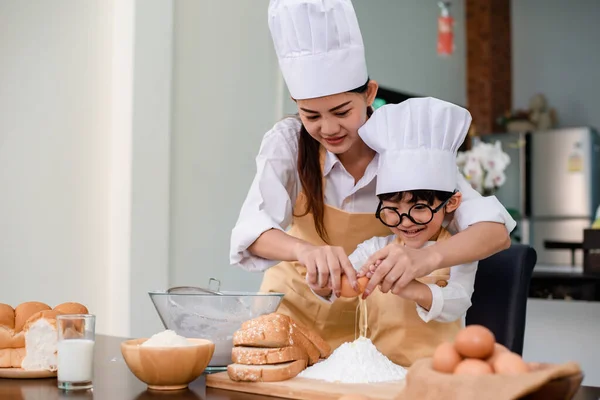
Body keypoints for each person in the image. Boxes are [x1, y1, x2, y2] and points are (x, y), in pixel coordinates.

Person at [230, 0, 515, 351]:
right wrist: (304, 251)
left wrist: (427, 258)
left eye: (341, 111)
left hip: (377, 333)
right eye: (311, 116)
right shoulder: (288, 142)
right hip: (294, 317)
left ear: (369, 93)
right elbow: (251, 231)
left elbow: (494, 232)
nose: (329, 128)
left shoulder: (409, 144)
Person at [312, 97, 478, 366]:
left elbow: (458, 301)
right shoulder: (375, 248)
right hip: (380, 372)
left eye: (420, 207)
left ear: (452, 203)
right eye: (391, 209)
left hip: (437, 371)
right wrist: (324, 284)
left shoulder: (457, 250)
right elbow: (344, 283)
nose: (406, 222)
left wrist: (410, 287)